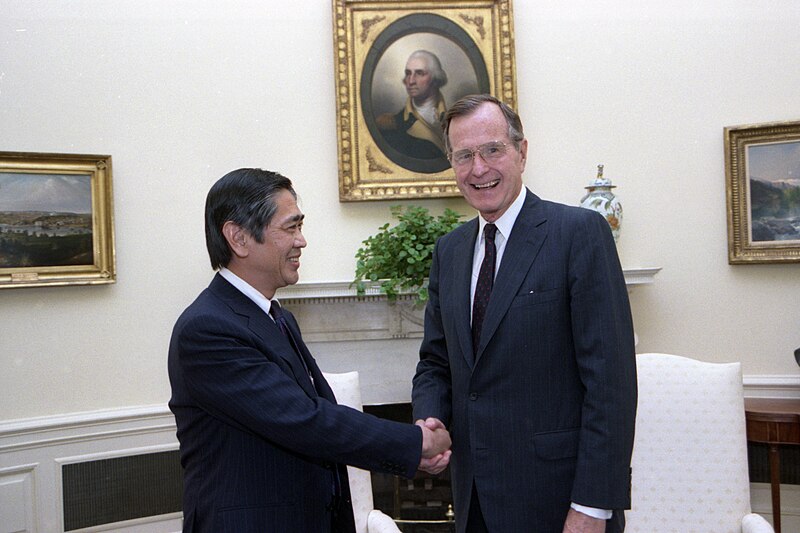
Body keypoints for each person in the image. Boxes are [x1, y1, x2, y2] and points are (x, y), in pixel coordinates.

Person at [168, 168, 451, 533]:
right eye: (290, 228)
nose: (301, 241)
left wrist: (410, 450)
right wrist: (414, 444)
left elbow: (324, 414)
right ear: (238, 237)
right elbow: (306, 421)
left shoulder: (279, 318)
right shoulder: (207, 329)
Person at [411, 94, 637, 533]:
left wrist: (593, 505)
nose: (479, 169)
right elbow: (436, 361)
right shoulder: (450, 251)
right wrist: (429, 420)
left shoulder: (579, 234)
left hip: (559, 503)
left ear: (522, 152)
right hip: (474, 499)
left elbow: (610, 383)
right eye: (463, 156)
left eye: (492, 149)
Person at [377, 49, 449, 161]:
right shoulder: (391, 126)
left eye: (420, 73)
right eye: (408, 73)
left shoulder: (456, 120)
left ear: (435, 78)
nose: (411, 81)